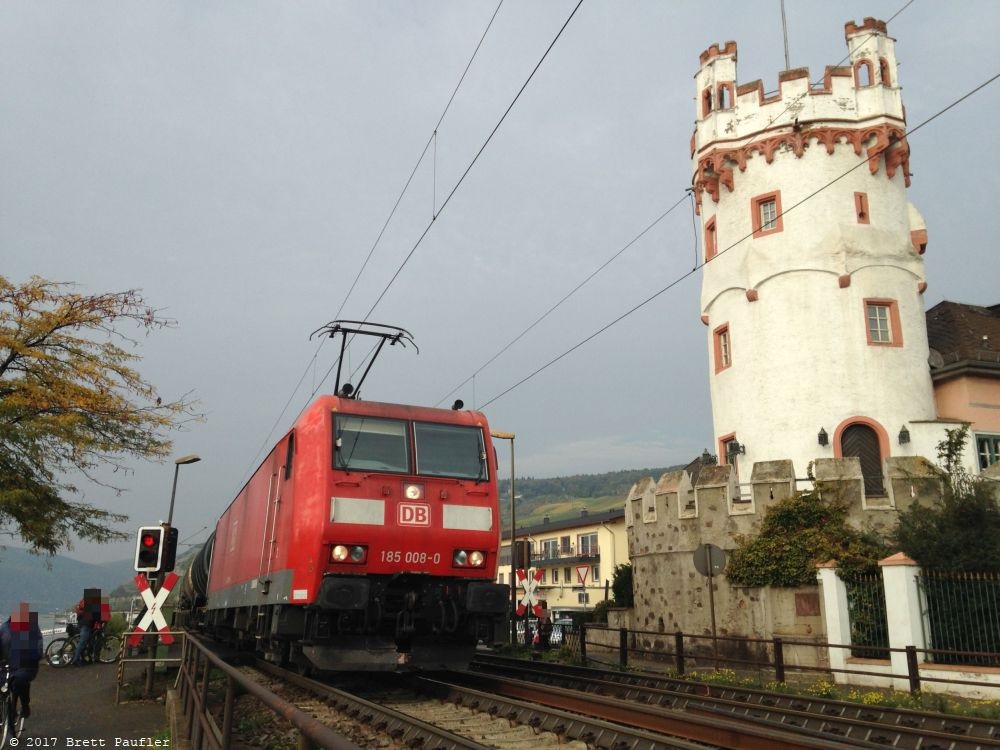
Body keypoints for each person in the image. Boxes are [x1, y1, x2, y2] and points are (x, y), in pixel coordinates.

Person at [0, 602, 44, 720]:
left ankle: (25, 705)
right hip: (6, 665)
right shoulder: (4, 628)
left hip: (26, 665)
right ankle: (7, 709)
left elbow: (38, 646)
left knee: (19, 682)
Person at [71, 588, 109, 665]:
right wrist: (102, 621)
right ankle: (76, 660)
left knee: (89, 642)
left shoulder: (86, 601)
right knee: (83, 642)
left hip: (88, 625)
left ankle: (88, 658)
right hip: (86, 625)